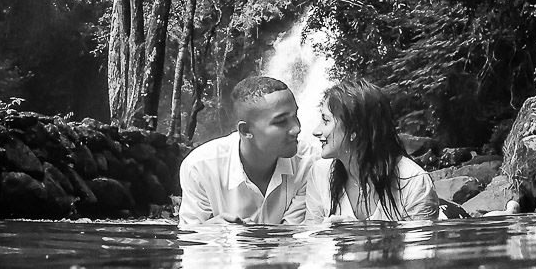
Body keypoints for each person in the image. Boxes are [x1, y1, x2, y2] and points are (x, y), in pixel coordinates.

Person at [178, 76, 319, 225]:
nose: (297, 129)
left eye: (295, 116)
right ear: (245, 130)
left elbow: (297, 237)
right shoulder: (201, 167)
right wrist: (208, 230)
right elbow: (191, 239)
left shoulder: (310, 163)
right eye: (281, 122)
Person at [306, 79, 440, 223]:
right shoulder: (320, 173)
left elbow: (421, 244)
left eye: (326, 121)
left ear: (354, 129)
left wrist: (360, 235)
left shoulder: (413, 181)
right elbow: (311, 239)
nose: (316, 131)